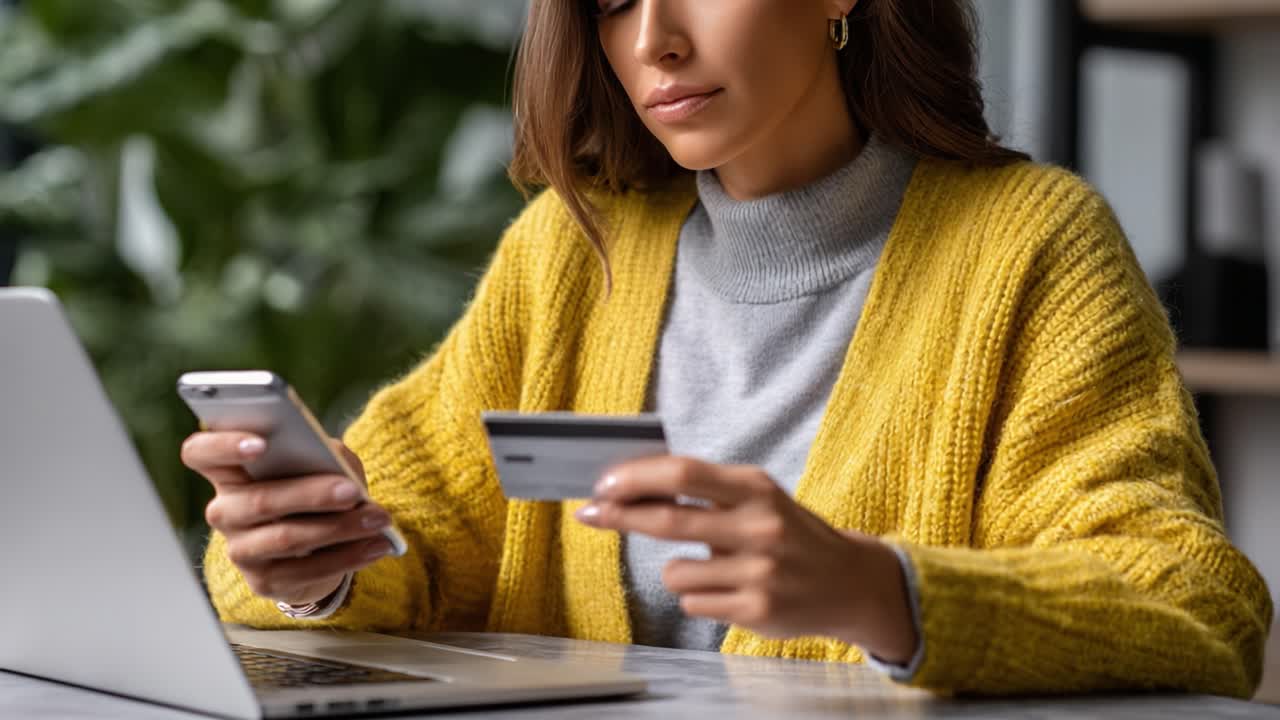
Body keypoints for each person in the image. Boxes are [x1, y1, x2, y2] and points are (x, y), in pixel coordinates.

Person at [182, 0, 1273, 697]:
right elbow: (409, 540)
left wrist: (881, 593)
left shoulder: (1031, 246)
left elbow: (1192, 602)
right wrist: (309, 569)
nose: (651, 37)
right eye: (610, 2)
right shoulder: (571, 252)